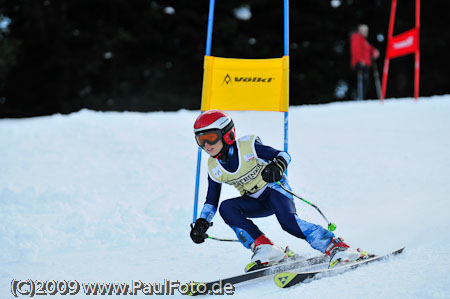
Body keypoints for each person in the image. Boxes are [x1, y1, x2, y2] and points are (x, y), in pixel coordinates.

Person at [190, 109, 363, 271]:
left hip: (275, 190)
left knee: (288, 223)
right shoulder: (213, 167)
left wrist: (277, 166)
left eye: (211, 137)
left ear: (227, 135)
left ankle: (337, 246)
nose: (206, 145)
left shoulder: (247, 146)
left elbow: (283, 155)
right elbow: (211, 201)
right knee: (226, 208)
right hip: (255, 202)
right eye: (200, 140)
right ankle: (265, 248)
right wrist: (202, 223)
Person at [350, 24, 380, 100]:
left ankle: (361, 97)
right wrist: (360, 60)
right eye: (364, 30)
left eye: (367, 30)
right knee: (362, 80)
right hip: (360, 63)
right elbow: (356, 50)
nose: (366, 32)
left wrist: (374, 51)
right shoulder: (356, 37)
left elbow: (370, 49)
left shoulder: (364, 40)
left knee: (366, 81)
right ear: (360, 30)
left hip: (365, 63)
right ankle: (358, 97)